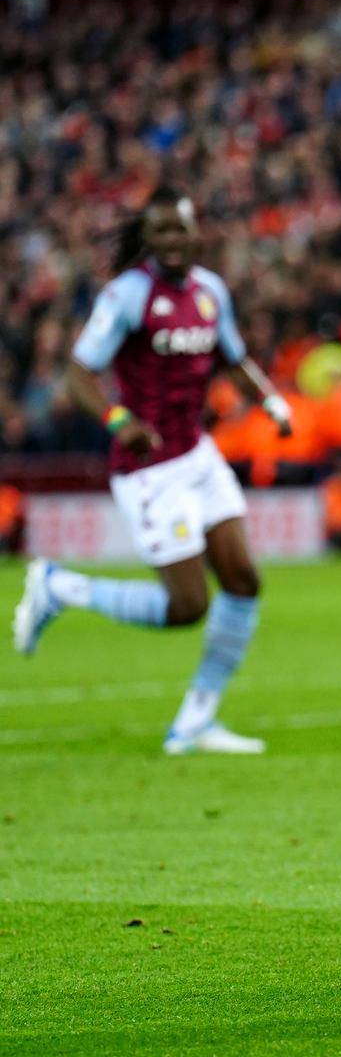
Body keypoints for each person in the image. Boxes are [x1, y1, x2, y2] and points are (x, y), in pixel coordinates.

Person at [11, 187, 292, 755]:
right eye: (159, 232)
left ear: (194, 234)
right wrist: (119, 421)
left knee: (244, 579)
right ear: (147, 238)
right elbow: (79, 374)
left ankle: (195, 720)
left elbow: (233, 358)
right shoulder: (126, 296)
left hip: (197, 454)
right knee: (187, 607)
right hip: (148, 469)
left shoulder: (211, 292)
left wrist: (269, 402)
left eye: (179, 230)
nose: (170, 241)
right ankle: (60, 587)